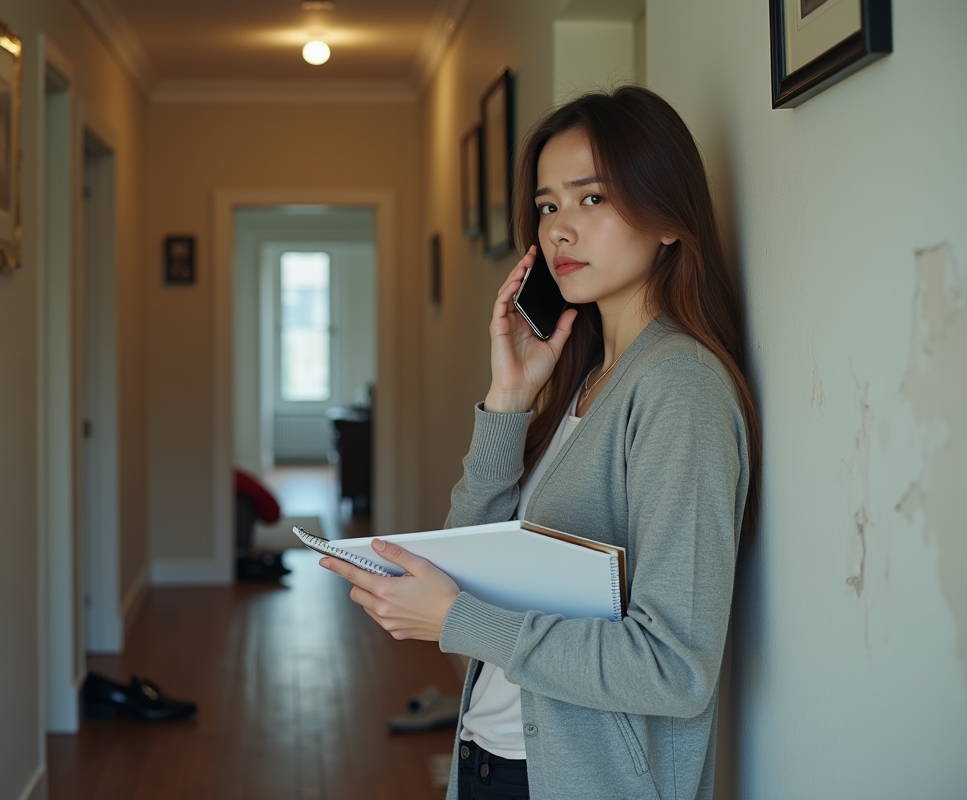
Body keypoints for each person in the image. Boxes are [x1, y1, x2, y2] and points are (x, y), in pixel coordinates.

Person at [319, 85, 760, 800]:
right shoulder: (588, 378)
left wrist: (455, 621)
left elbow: (673, 668)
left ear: (669, 218)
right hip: (492, 758)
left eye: (592, 199)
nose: (559, 229)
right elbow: (476, 552)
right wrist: (509, 401)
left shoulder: (679, 387)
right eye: (549, 205)